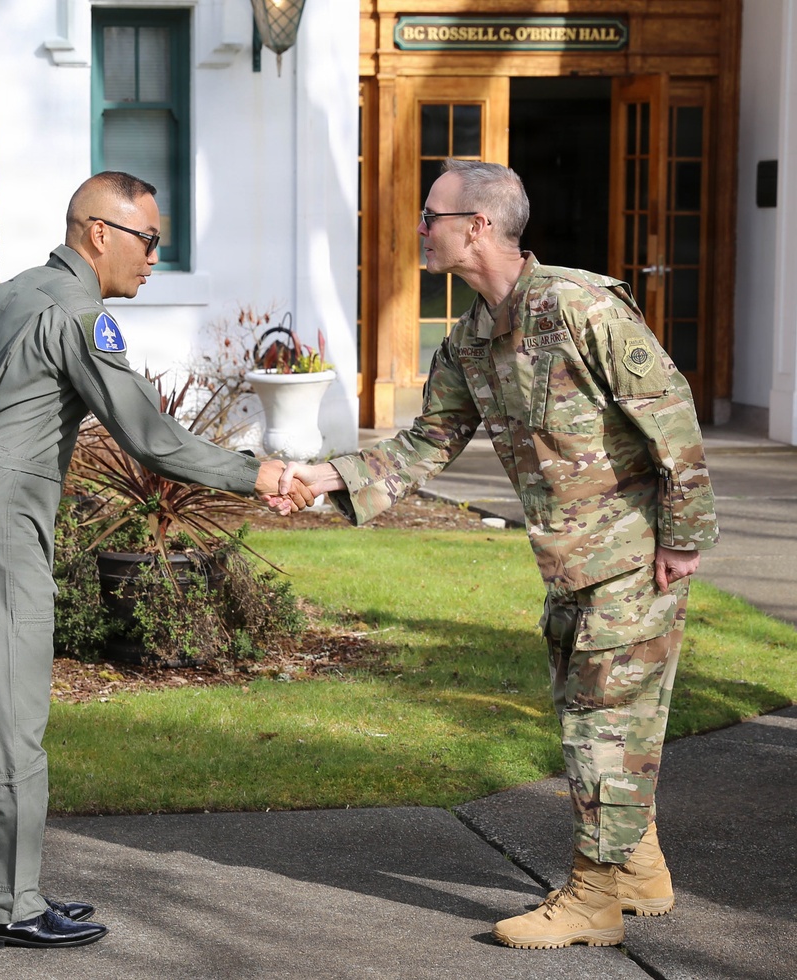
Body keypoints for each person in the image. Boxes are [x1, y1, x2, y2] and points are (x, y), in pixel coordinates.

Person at [279, 159, 718, 950]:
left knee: (601, 727)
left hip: (632, 552)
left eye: (430, 215)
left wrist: (684, 537)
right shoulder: (472, 340)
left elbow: (670, 415)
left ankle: (591, 899)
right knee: (601, 716)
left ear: (478, 226)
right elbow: (422, 447)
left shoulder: (581, 306)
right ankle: (640, 870)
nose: (420, 229)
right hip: (569, 560)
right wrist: (319, 478)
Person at [0, 171, 312, 949]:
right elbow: (149, 436)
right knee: (13, 721)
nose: (154, 258)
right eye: (148, 240)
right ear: (99, 232)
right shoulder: (77, 312)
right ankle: (7, 908)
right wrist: (256, 472)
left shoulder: (8, 295)